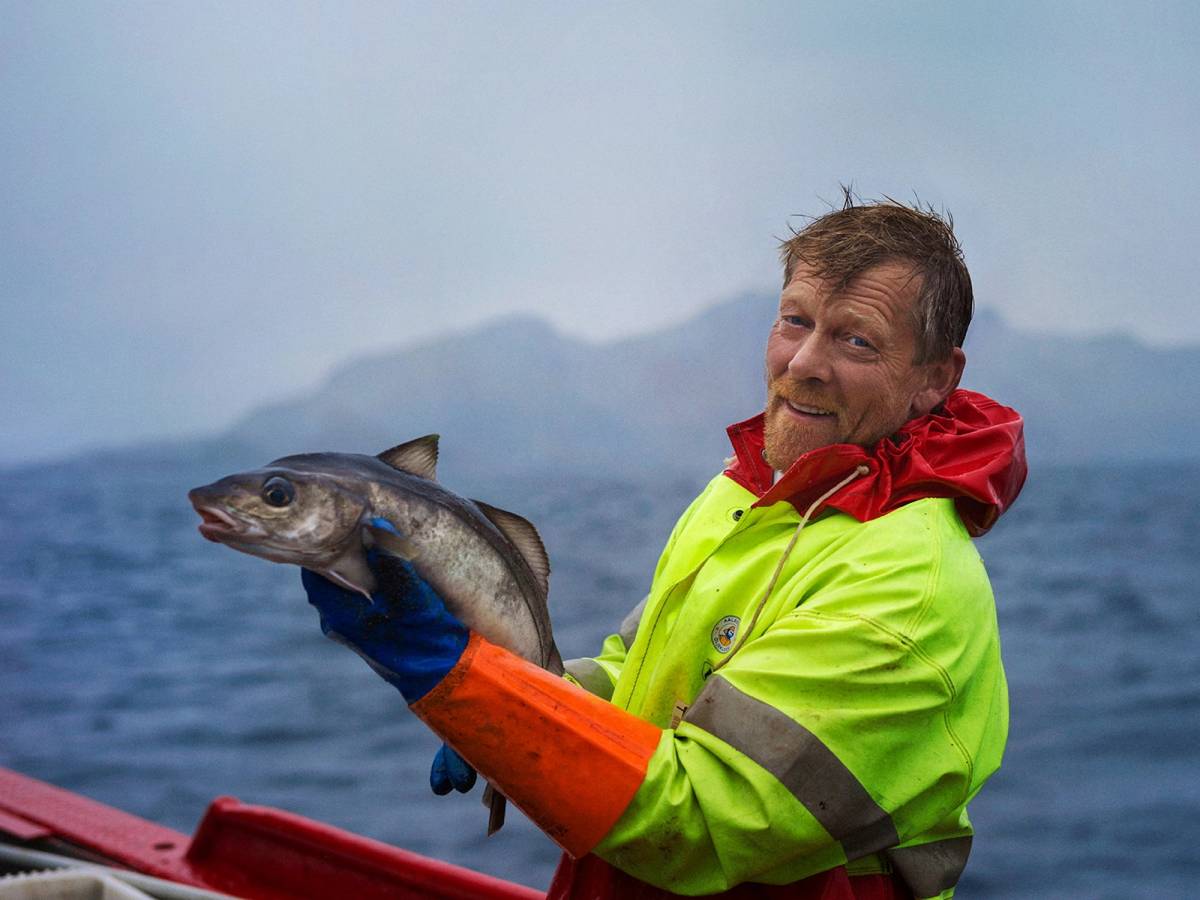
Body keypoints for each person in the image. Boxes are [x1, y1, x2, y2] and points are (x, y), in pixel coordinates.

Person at [302, 194, 1027, 899]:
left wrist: (457, 676)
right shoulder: (749, 494)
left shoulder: (906, 584)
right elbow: (644, 677)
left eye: (855, 339)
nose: (802, 362)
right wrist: (509, 710)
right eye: (794, 321)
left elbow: (699, 824)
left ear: (935, 380)